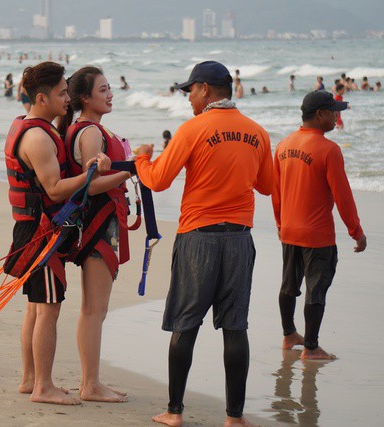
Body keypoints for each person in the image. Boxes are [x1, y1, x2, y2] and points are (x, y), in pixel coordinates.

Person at [133, 60, 273, 427]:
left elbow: (158, 180)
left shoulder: (193, 129)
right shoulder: (257, 132)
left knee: (186, 323)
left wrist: (141, 158)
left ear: (206, 89)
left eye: (189, 90)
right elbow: (268, 186)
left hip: (198, 238)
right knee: (235, 327)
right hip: (240, 239)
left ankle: (174, 412)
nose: (187, 97)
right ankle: (235, 418)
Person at [3, 61, 111, 406]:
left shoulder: (27, 126)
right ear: (41, 97)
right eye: (62, 93)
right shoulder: (36, 137)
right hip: (39, 233)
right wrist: (91, 172)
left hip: (31, 229)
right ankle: (43, 387)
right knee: (48, 308)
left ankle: (30, 380)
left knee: (37, 308)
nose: (67, 99)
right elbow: (54, 189)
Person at [271, 90, 367, 360]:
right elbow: (342, 196)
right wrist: (356, 232)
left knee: (288, 285)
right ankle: (311, 348)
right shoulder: (328, 150)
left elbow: (275, 191)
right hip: (318, 236)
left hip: (289, 231)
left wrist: (281, 224)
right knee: (316, 289)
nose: (337, 117)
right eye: (334, 112)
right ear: (319, 115)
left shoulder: (283, 145)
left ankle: (290, 335)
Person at [57, 66, 132, 403]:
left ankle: (92, 381)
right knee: (94, 310)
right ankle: (90, 384)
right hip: (99, 225)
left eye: (109, 87)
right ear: (85, 98)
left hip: (100, 223)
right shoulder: (90, 133)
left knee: (93, 308)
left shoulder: (82, 128)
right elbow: (91, 185)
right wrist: (132, 169)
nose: (110, 93)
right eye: (103, 89)